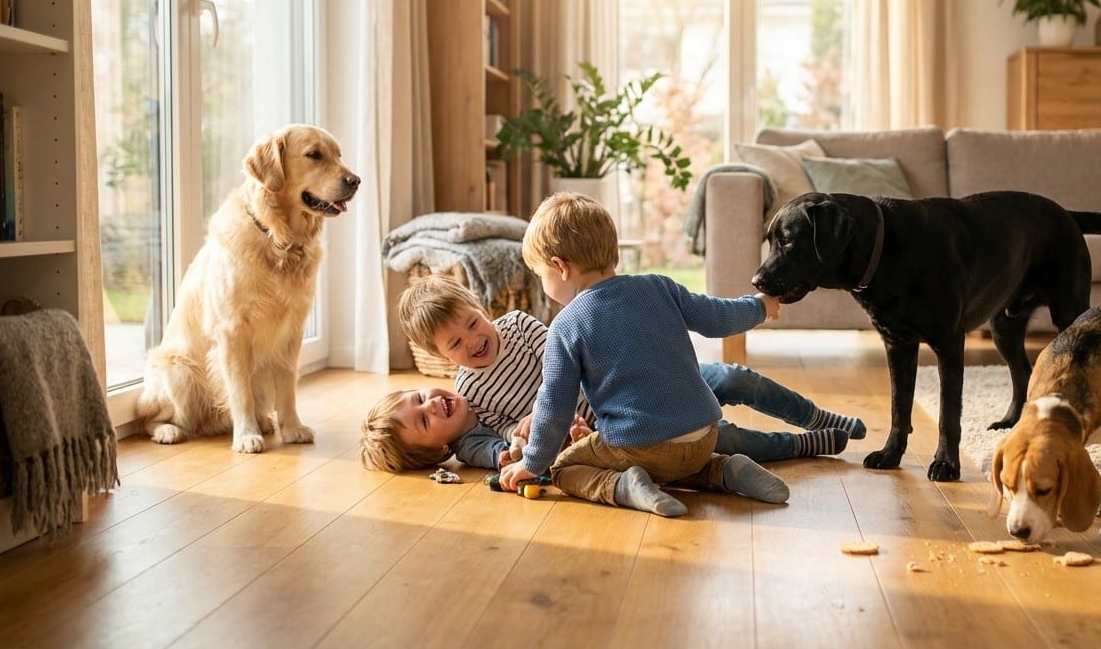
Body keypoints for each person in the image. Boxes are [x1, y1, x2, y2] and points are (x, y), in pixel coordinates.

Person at [359, 275, 866, 473]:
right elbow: (500, 446)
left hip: (644, 376)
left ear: (480, 305)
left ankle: (817, 416)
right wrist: (522, 444)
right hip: (621, 421)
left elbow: (570, 368)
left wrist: (544, 412)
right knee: (725, 438)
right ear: (438, 353)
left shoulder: (519, 325)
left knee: (734, 378)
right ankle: (807, 444)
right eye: (456, 343)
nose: (473, 340)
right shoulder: (473, 395)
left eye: (472, 322)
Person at [497, 191, 797, 517]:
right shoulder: (660, 287)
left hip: (642, 447)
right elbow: (717, 317)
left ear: (560, 267)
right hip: (703, 438)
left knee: (563, 469)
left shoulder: (565, 326)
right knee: (674, 459)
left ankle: (624, 487)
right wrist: (759, 306)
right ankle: (725, 470)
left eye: (541, 275)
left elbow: (554, 406)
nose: (543, 284)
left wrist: (533, 461)